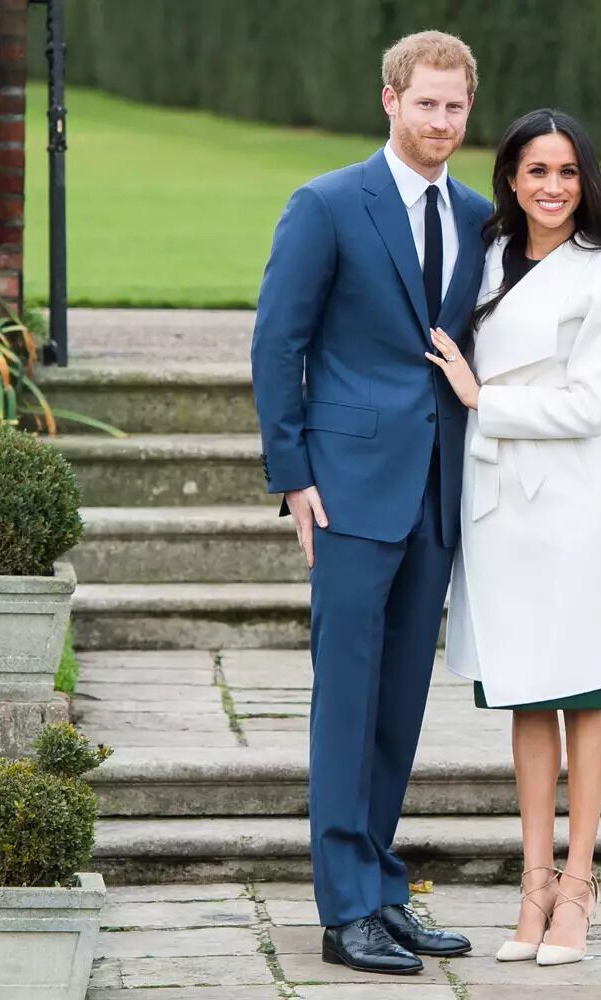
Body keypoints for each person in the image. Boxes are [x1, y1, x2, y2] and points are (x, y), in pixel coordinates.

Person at [250, 30, 492, 976]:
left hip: (437, 488)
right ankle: (344, 906)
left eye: (456, 106)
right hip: (347, 491)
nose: (442, 121)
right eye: (426, 103)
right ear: (390, 100)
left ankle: (384, 892)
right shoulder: (327, 204)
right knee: (345, 698)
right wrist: (292, 473)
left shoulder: (478, 215)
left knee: (398, 704)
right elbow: (280, 342)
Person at [426, 108, 601, 967]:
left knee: (585, 689)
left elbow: (589, 407)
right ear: (512, 180)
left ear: (584, 179)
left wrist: (488, 400)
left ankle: (580, 887)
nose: (552, 187)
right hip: (496, 504)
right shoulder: (484, 253)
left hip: (571, 505)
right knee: (524, 691)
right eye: (535, 171)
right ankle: (532, 883)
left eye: (566, 171)